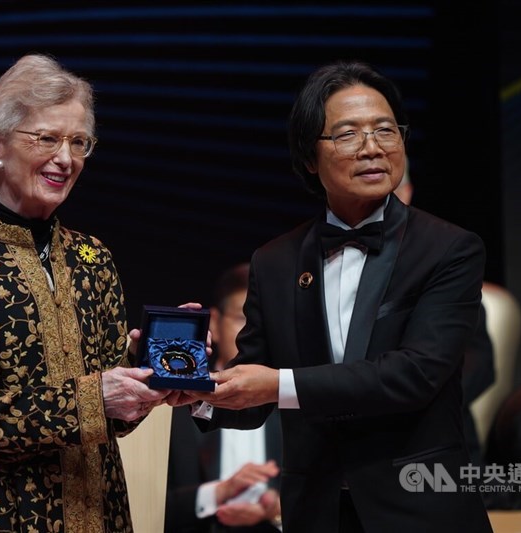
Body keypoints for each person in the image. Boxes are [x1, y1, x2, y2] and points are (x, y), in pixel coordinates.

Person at [185, 61, 494, 532]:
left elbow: (414, 375)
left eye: (386, 130)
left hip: (421, 510)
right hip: (316, 511)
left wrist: (277, 384)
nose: (372, 148)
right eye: (348, 134)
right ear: (310, 157)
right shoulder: (274, 261)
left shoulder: (450, 248)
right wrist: (199, 388)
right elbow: (256, 396)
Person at [0, 54, 175, 532]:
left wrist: (148, 379)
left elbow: (111, 419)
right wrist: (95, 399)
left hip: (101, 513)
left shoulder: (93, 258)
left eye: (79, 142)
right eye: (47, 138)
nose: (66, 158)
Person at [165, 263, 283, 532]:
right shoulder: (178, 400)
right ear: (215, 324)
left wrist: (276, 508)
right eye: (244, 320)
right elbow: (147, 501)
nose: (255, 334)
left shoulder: (289, 402)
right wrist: (219, 493)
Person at [394, 160, 496, 466]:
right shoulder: (322, 265)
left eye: (390, 193)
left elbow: (480, 367)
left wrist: (406, 401)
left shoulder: (447, 259)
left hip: (437, 441)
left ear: (408, 193)